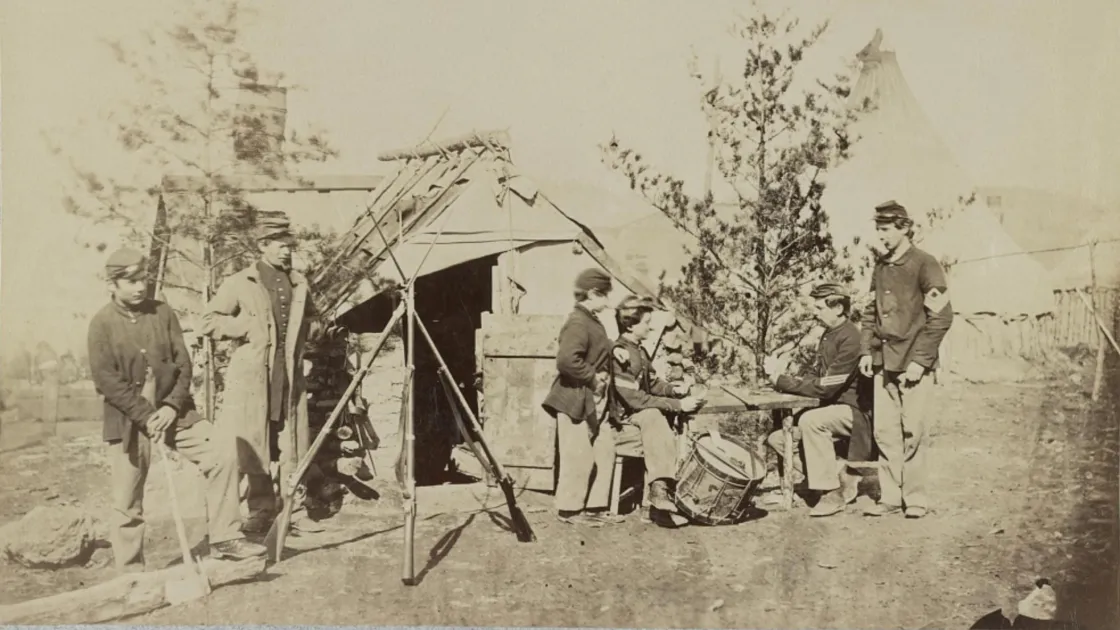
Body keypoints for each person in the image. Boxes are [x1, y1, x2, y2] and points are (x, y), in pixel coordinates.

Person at [87, 248, 265, 572]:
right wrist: (145, 414)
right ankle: (130, 573)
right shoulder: (101, 324)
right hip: (129, 419)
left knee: (223, 452)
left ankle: (226, 538)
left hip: (176, 413)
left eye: (142, 278)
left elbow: (184, 363)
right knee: (127, 498)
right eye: (130, 281)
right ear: (112, 284)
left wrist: (169, 406)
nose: (140, 286)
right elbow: (107, 382)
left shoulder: (163, 313)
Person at [201, 210, 323, 535]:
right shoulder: (240, 282)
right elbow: (209, 321)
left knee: (292, 444)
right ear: (263, 245)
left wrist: (309, 342)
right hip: (254, 380)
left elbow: (313, 319)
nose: (287, 251)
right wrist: (241, 326)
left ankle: (293, 513)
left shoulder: (299, 283)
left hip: (289, 378)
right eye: (279, 245)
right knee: (256, 444)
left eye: (289, 245)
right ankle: (261, 511)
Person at [858, 200, 954, 519]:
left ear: (903, 227)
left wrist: (920, 361)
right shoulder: (881, 267)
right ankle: (889, 495)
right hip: (884, 363)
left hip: (913, 364)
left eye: (885, 230)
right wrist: (866, 351)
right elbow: (871, 311)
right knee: (884, 432)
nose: (881, 236)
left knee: (913, 430)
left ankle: (914, 497)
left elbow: (941, 317)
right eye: (878, 230)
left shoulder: (926, 264)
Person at [761, 283, 873, 517]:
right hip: (833, 407)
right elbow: (816, 375)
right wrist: (781, 381)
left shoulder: (851, 338)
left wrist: (780, 380)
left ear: (839, 308)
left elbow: (827, 388)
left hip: (854, 411)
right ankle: (839, 475)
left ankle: (831, 493)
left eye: (820, 307)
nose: (815, 312)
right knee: (779, 438)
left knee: (811, 421)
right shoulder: (829, 334)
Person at [609, 296, 703, 527]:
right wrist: (678, 405)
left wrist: (674, 390)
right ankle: (660, 490)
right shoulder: (620, 354)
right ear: (630, 325)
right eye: (646, 322)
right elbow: (634, 399)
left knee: (660, 417)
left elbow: (652, 382)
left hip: (636, 414)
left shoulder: (638, 351)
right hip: (623, 419)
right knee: (653, 416)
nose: (650, 327)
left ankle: (663, 496)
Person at [541, 268, 622, 527]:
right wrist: (592, 377)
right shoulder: (578, 321)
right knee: (578, 456)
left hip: (593, 399)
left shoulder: (591, 319)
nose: (609, 301)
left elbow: (594, 345)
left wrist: (613, 350)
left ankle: (595, 507)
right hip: (575, 397)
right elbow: (567, 360)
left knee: (604, 451)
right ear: (592, 293)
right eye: (605, 295)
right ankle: (569, 509)